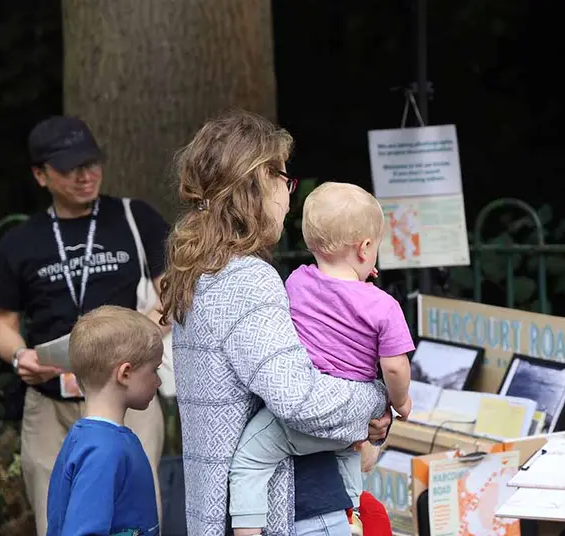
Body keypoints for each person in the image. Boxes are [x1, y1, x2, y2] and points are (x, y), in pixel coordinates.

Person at [160, 109, 392, 536]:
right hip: (292, 509)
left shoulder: (200, 270)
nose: (289, 196)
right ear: (257, 183)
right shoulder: (246, 278)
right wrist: (376, 400)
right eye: (285, 179)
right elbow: (299, 399)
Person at [0, 116, 168, 536]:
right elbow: (3, 322)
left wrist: (136, 335)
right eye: (70, 167)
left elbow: (175, 296)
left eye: (91, 162)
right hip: (51, 402)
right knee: (55, 520)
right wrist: (21, 355)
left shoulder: (134, 217)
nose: (85, 175)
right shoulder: (19, 242)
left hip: (126, 395)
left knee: (136, 519)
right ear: (40, 175)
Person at [228, 181, 414, 536]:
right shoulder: (383, 306)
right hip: (351, 424)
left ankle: (247, 531)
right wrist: (400, 401)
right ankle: (353, 515)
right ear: (365, 248)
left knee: (250, 459)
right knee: (348, 459)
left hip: (301, 421)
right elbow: (393, 365)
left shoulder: (296, 282)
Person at [46, 306, 162, 535]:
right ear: (125, 374)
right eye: (154, 370)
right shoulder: (103, 451)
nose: (158, 382)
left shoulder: (91, 438)